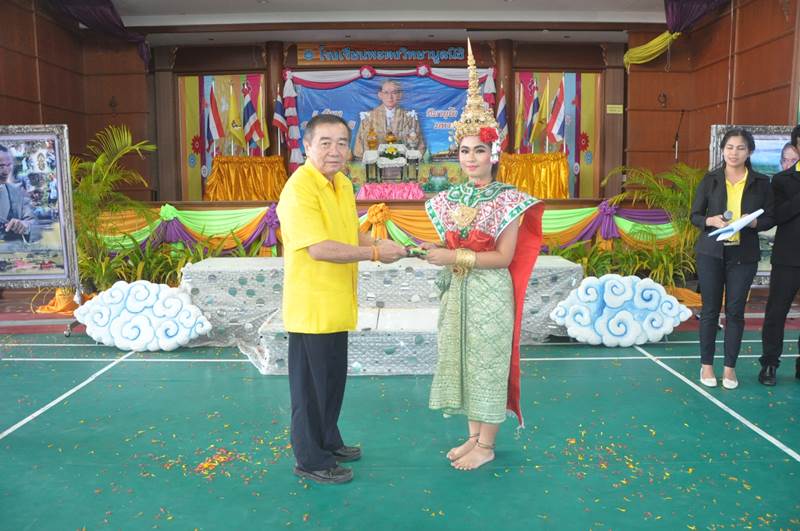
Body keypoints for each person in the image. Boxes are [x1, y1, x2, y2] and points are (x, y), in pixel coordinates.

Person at [420, 42, 544, 471]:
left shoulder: (509, 199)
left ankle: (487, 446)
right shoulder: (449, 198)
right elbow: (451, 249)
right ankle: (473, 437)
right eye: (464, 151)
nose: (471, 158)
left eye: (479, 150)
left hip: (490, 291)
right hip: (459, 292)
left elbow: (505, 257)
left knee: (488, 363)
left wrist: (452, 256)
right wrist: (437, 253)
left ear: (494, 154)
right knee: (464, 361)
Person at [276, 114, 407, 485]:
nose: (334, 151)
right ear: (306, 146)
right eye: (325, 143)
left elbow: (350, 233)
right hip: (311, 306)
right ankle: (310, 459)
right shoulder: (299, 189)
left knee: (332, 382)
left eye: (341, 143)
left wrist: (381, 243)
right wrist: (376, 254)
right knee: (310, 390)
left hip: (337, 302)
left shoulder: (343, 184)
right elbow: (318, 248)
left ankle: (329, 441)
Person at [691, 128, 774, 390]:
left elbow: (771, 217)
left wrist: (754, 223)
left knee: (735, 312)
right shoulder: (710, 180)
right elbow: (695, 215)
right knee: (710, 310)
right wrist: (710, 220)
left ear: (749, 152)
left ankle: (729, 368)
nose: (734, 153)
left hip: (743, 255)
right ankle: (706, 365)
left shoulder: (761, 182)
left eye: (740, 148)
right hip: (711, 253)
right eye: (729, 147)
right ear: (723, 150)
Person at [760, 139, 800, 385]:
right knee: (776, 312)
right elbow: (777, 215)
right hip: (788, 257)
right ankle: (770, 364)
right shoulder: (782, 179)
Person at [352, 79, 425, 158]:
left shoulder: (410, 117)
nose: (390, 97)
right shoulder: (368, 117)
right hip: (375, 163)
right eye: (386, 92)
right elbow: (358, 148)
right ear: (380, 95)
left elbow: (420, 147)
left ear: (400, 95)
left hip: (402, 163)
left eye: (394, 92)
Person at [0, 145, 34, 241]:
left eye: (9, 165)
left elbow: (33, 222)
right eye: (1, 166)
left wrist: (24, 226)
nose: (6, 171)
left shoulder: (17, 192)